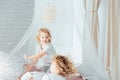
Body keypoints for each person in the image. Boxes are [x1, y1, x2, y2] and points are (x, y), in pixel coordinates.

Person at [21, 55, 86, 80]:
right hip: (32, 75)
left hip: (31, 77)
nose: (51, 66)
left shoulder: (50, 77)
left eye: (52, 65)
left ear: (58, 69)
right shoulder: (62, 77)